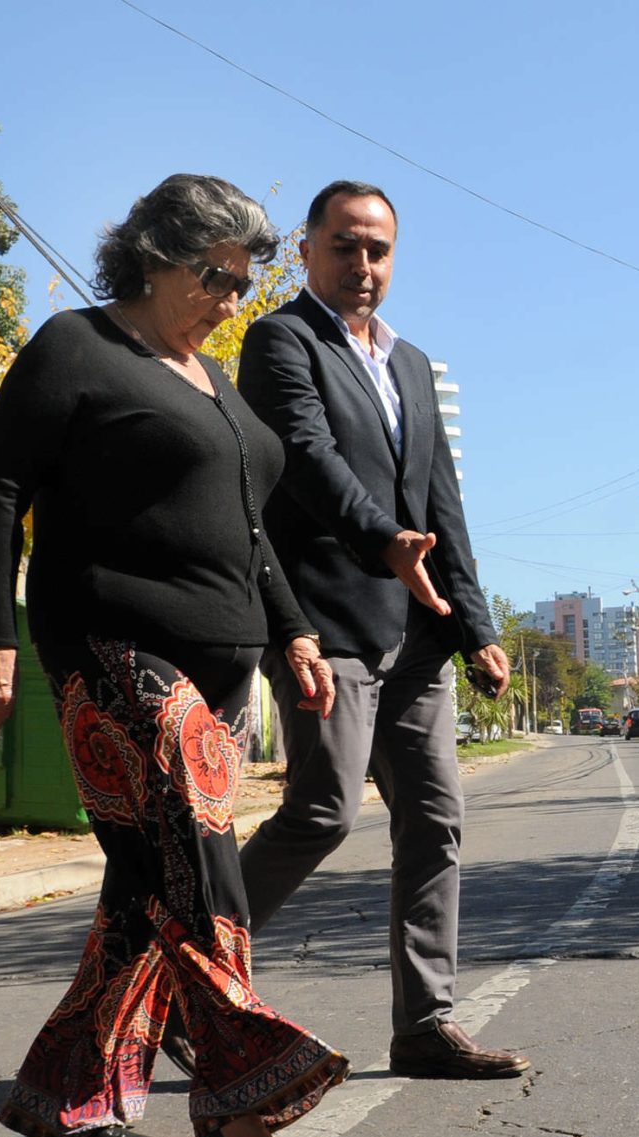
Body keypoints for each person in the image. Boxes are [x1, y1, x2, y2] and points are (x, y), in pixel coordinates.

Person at [0, 174, 347, 1137]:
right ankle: (241, 1096)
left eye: (244, 279)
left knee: (147, 884)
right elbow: (3, 486)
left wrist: (294, 631)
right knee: (204, 857)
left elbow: (255, 534)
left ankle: (66, 1093)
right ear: (153, 255)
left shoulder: (216, 386)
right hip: (108, 641)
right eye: (216, 275)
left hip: (222, 659)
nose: (233, 297)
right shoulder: (77, 348)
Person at [235, 181, 524, 1079]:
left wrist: (474, 623)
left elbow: (445, 503)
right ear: (308, 251)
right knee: (321, 810)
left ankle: (424, 1024)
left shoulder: (412, 365)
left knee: (435, 817)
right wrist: (382, 542)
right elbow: (309, 459)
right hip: (325, 621)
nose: (363, 267)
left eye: (379, 251)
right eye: (345, 247)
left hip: (419, 635)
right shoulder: (279, 340)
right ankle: (186, 968)